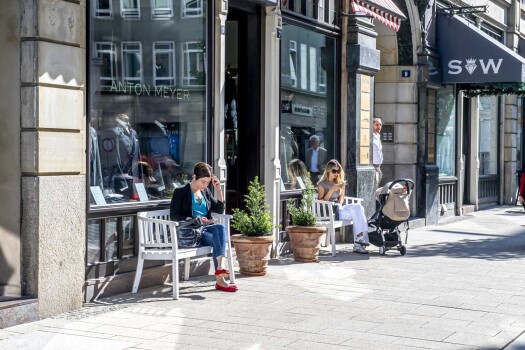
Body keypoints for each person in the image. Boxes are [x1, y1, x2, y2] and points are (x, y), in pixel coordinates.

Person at [170, 162, 237, 292]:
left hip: (205, 230)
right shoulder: (181, 192)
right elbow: (174, 215)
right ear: (194, 177)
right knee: (219, 239)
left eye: (207, 182)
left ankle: (219, 270)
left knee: (220, 228)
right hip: (192, 232)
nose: (205, 185)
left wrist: (218, 189)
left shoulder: (205, 192)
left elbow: (219, 209)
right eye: (203, 182)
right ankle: (220, 280)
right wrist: (197, 219)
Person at [317, 159, 370, 254]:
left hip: (338, 209)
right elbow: (322, 201)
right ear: (328, 171)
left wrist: (341, 189)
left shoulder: (339, 182)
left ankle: (360, 239)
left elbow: (341, 201)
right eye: (334, 171)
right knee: (356, 210)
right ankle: (359, 241)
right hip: (328, 212)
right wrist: (332, 189)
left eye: (338, 171)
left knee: (358, 207)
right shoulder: (322, 184)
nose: (336, 173)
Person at [373, 118, 383, 188]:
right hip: (373, 166)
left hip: (378, 165)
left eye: (380, 125)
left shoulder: (378, 136)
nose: (379, 127)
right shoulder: (371, 137)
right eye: (377, 125)